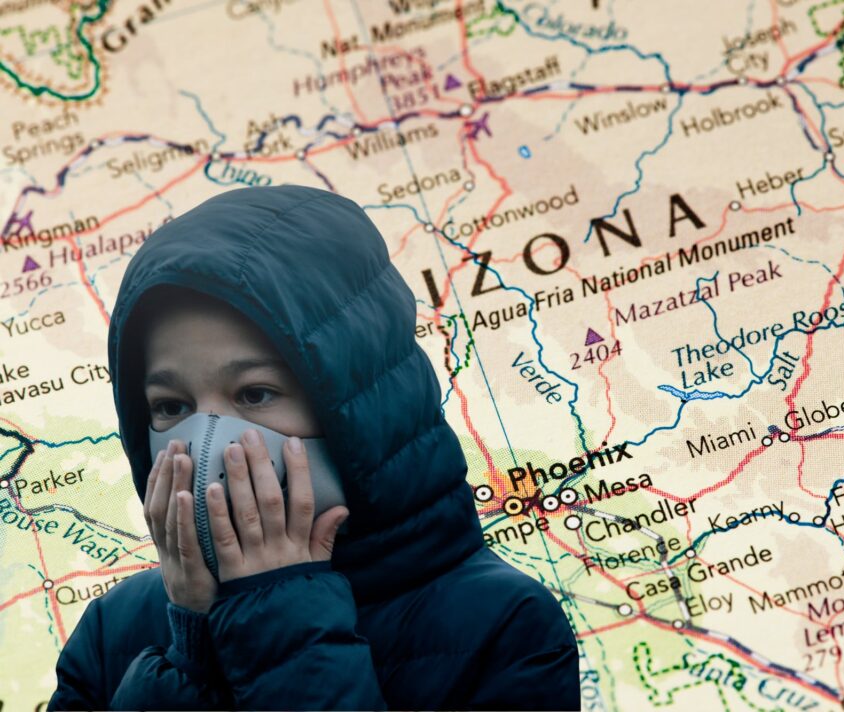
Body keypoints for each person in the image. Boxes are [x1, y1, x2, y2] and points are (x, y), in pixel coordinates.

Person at [46, 184, 581, 711]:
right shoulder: (109, 630)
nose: (209, 443)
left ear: (355, 402)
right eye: (170, 406)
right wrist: (191, 652)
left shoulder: (505, 624)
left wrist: (281, 622)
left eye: (255, 394)